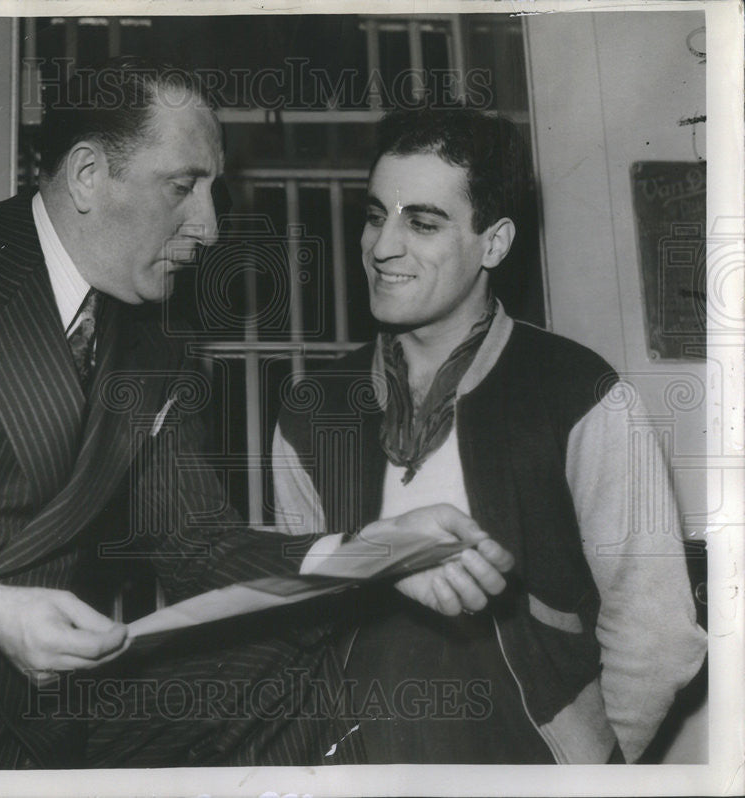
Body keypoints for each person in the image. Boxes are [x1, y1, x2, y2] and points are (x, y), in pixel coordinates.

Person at [0, 59, 514, 769]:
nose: (211, 227)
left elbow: (199, 548)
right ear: (90, 174)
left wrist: (374, 554)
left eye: (212, 189)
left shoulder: (155, 352)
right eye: (184, 186)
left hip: (30, 718)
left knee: (303, 654)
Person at [273, 108, 707, 764]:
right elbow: (297, 619)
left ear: (495, 243)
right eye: (373, 214)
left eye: (421, 222)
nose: (383, 246)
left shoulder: (581, 394)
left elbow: (659, 636)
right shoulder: (311, 412)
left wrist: (587, 765)